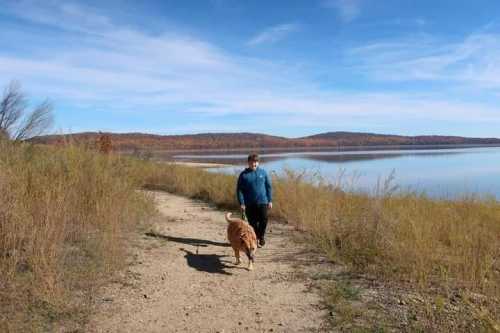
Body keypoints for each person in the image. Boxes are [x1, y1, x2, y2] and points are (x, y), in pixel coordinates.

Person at [236, 153, 272, 247]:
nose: (254, 164)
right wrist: (242, 203)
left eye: (256, 162)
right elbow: (239, 190)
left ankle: (261, 236)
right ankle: (257, 238)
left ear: (258, 163)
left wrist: (270, 200)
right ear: (248, 163)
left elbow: (268, 187)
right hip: (249, 204)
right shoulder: (243, 175)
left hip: (263, 201)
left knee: (264, 220)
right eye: (252, 162)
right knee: (253, 223)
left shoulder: (263, 173)